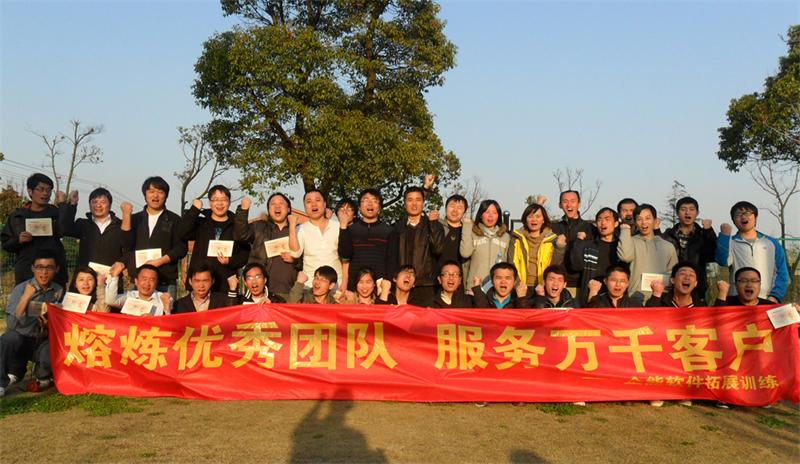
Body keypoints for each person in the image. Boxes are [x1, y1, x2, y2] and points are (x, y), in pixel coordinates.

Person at [0, 250, 64, 397]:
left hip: (41, 340)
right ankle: (1, 381)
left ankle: (41, 374)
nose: (44, 272)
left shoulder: (58, 290)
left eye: (49, 267)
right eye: (39, 267)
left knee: (52, 345)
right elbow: (11, 324)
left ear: (56, 269)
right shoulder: (21, 289)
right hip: (21, 339)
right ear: (33, 268)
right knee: (9, 338)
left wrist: (47, 324)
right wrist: (26, 297)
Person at [179, 185, 250, 293]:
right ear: (209, 202)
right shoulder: (201, 223)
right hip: (200, 283)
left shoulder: (236, 226)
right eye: (215, 199)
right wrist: (194, 209)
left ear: (229, 202)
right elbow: (182, 233)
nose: (220, 203)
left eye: (224, 200)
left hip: (226, 284)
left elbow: (244, 254)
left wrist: (230, 261)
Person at [2, 173, 68, 287]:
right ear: (30, 191)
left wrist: (63, 205)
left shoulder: (56, 214)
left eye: (48, 190)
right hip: (26, 274)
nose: (45, 193)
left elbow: (65, 230)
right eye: (41, 189)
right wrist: (18, 240)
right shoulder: (18, 216)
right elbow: (6, 244)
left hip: (54, 275)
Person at [715, 201, 789, 302]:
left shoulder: (771, 243)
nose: (743, 217)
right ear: (733, 220)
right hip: (739, 301)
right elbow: (723, 261)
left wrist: (775, 296)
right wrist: (724, 236)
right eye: (738, 214)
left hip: (767, 300)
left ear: (755, 218)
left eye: (748, 213)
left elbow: (782, 273)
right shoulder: (730, 242)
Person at [128, 176, 188, 299]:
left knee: (166, 310)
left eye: (160, 192)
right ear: (145, 195)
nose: (155, 196)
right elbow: (126, 245)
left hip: (165, 280)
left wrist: (160, 261)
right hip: (139, 281)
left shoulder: (175, 220)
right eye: (151, 191)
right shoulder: (134, 219)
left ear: (166, 196)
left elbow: (181, 248)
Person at [233, 193, 299, 301]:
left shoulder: (297, 230)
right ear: (268, 210)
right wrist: (243, 211)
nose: (277, 206)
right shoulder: (259, 227)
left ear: (288, 209)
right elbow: (240, 236)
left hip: (291, 291)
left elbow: (308, 258)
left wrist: (295, 260)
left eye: (281, 203)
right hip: (263, 292)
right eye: (273, 204)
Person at [58, 187, 133, 278]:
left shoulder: (120, 225)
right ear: (89, 204)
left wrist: (122, 263)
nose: (98, 205)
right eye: (94, 202)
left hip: (111, 277)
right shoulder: (83, 224)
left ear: (110, 204)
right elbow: (64, 229)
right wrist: (72, 205)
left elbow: (129, 247)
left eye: (103, 202)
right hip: (85, 279)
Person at [389, 186, 445, 304]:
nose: (414, 204)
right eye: (410, 200)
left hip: (426, 286)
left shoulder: (434, 225)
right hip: (402, 286)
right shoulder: (397, 228)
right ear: (404, 204)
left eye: (418, 200)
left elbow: (438, 249)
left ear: (423, 203)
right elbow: (391, 258)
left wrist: (433, 225)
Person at [617, 204, 678, 303]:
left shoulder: (667, 246)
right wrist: (625, 230)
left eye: (648, 218)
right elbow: (625, 257)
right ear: (635, 222)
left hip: (661, 298)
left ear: (655, 220)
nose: (644, 222)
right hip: (635, 297)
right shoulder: (631, 241)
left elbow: (673, 273)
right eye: (639, 219)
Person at [338, 189, 395, 293]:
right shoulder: (350, 230)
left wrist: (388, 283)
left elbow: (392, 260)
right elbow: (345, 254)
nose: (370, 203)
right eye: (365, 200)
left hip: (380, 285)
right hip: (355, 285)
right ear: (359, 207)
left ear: (379, 207)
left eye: (374, 200)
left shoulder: (388, 230)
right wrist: (343, 227)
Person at [662, 197, 717, 300]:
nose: (687, 212)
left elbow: (711, 256)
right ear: (677, 213)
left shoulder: (703, 234)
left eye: (691, 209)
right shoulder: (668, 235)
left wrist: (708, 232)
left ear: (697, 213)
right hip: (671, 285)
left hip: (696, 286)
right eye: (683, 209)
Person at [289, 190, 343, 289]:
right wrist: (292, 226)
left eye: (317, 200)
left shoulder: (338, 226)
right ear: (305, 207)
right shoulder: (301, 229)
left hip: (336, 285)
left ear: (325, 204)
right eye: (308, 202)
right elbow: (295, 253)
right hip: (310, 286)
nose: (313, 204)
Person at [509, 203, 566, 291]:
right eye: (530, 216)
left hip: (544, 287)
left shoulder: (552, 240)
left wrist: (560, 247)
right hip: (521, 287)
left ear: (543, 220)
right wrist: (518, 284)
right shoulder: (517, 239)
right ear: (525, 219)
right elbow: (511, 264)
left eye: (538, 216)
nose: (534, 220)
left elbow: (555, 266)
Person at [570, 207, 620, 306]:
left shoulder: (621, 247)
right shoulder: (589, 245)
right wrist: (579, 242)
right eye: (599, 220)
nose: (603, 223)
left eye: (607, 219)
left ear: (616, 223)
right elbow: (576, 265)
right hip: (590, 297)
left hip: (616, 299)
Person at [551, 190, 594, 296]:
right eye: (565, 201)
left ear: (579, 204)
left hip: (581, 285)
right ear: (560, 205)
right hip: (557, 285)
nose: (569, 205)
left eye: (573, 201)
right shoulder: (553, 228)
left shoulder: (590, 228)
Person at [460, 199, 511, 286]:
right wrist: (467, 226)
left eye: (494, 213)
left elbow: (506, 263)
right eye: (487, 212)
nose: (490, 216)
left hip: (497, 287)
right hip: (475, 285)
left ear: (498, 216)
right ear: (480, 215)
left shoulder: (505, 236)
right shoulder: (472, 233)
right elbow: (465, 253)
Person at [106, 264, 173, 315]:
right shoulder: (129, 296)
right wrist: (114, 277)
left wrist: (166, 310)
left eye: (152, 280)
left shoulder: (164, 299)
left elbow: (168, 324)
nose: (147, 283)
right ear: (136, 281)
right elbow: (110, 301)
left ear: (156, 283)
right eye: (144, 279)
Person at [431, 194, 469, 285]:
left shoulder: (467, 231)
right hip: (436, 280)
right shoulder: (437, 226)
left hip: (459, 282)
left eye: (460, 207)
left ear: (464, 211)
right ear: (445, 208)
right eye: (452, 206)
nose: (455, 210)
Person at [173, 262, 239, 314]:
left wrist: (233, 289)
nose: (201, 285)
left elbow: (231, 315)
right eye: (197, 281)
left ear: (212, 281)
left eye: (205, 281)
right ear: (190, 281)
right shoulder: (179, 304)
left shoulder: (221, 301)